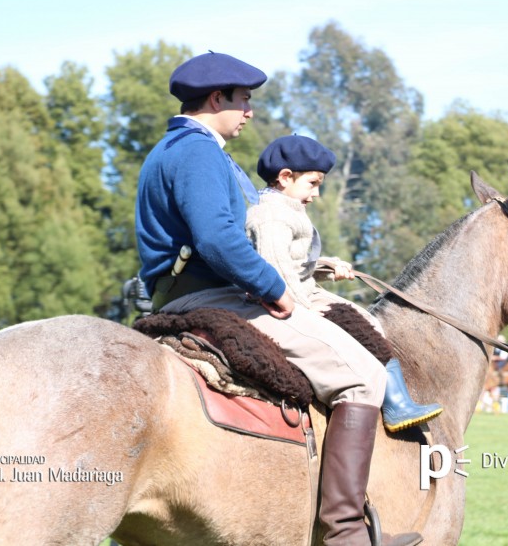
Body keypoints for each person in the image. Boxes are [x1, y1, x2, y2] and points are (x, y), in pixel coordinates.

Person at [135, 52, 422, 546]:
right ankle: (345, 534)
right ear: (216, 97)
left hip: (181, 293)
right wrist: (275, 291)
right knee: (365, 377)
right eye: (243, 99)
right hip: (212, 296)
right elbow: (218, 240)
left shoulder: (174, 149)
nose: (249, 111)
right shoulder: (197, 151)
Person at [245, 134, 442, 432]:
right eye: (312, 184)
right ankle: (391, 403)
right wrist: (308, 311)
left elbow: (295, 264)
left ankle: (397, 401)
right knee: (354, 328)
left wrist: (326, 267)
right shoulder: (271, 216)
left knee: (366, 321)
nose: (316, 194)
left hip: (305, 291)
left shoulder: (287, 211)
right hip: (294, 301)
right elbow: (278, 272)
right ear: (285, 177)